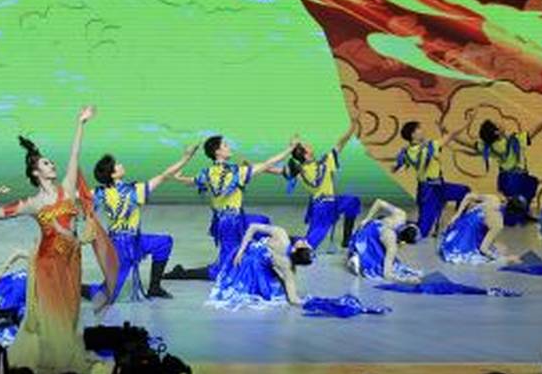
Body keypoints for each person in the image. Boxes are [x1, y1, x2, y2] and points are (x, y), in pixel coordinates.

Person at [0, 106, 116, 374]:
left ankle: (62, 358)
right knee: (53, 316)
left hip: (72, 261)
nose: (52, 165)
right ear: (35, 173)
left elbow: (75, 155)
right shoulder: (32, 203)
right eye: (46, 164)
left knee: (70, 313)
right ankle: (54, 365)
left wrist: (80, 123)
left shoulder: (67, 188)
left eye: (51, 162)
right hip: (47, 265)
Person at [165, 135, 297, 281]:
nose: (229, 148)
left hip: (231, 219)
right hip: (230, 224)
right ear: (218, 152)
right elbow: (267, 163)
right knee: (222, 271)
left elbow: (191, 181)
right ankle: (181, 273)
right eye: (225, 146)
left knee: (261, 221)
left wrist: (179, 177)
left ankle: (277, 252)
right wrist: (290, 149)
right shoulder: (236, 172)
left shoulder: (207, 173)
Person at [84, 141, 198, 301]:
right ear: (112, 174)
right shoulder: (106, 192)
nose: (120, 165)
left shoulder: (130, 190)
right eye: (116, 165)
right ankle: (76, 287)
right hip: (118, 247)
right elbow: (164, 175)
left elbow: (164, 176)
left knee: (163, 243)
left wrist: (186, 157)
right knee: (107, 296)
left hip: (136, 241)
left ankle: (154, 288)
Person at [453, 105, 542, 226]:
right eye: (498, 124)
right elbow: (538, 127)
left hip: (505, 178)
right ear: (497, 132)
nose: (501, 123)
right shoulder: (514, 141)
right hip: (516, 178)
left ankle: (521, 215)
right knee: (520, 199)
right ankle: (507, 219)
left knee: (529, 186)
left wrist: (450, 135)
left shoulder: (488, 146)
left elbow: (466, 143)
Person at [281, 117, 362, 250]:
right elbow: (341, 142)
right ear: (306, 155)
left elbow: (341, 143)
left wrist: (352, 128)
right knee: (310, 243)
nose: (309, 145)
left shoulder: (313, 166)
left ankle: (346, 239)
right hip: (322, 208)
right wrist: (352, 128)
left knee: (352, 202)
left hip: (333, 201)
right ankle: (285, 241)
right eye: (307, 146)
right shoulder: (313, 167)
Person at [392, 116, 473, 238]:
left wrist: (397, 165)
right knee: (422, 231)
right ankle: (393, 226)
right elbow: (452, 135)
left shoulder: (407, 152)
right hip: (429, 192)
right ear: (413, 134)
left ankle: (457, 223)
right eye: (419, 128)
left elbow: (395, 167)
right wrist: (468, 122)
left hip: (439, 186)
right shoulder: (430, 146)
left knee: (465, 192)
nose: (422, 130)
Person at [208, 222, 313, 308]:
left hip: (247, 261)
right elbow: (293, 299)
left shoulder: (281, 235)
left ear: (296, 249)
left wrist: (241, 251)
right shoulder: (288, 269)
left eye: (305, 244)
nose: (306, 242)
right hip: (252, 264)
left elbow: (253, 227)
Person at [347, 199, 421, 282]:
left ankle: (355, 253)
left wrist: (367, 219)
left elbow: (379, 202)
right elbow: (387, 275)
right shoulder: (392, 244)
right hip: (366, 244)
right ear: (404, 241)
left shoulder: (401, 215)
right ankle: (359, 260)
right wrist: (407, 280)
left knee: (380, 246)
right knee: (383, 263)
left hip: (362, 232)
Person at [439, 193, 511, 264]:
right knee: (500, 249)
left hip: (457, 231)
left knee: (499, 247)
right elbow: (483, 249)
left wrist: (457, 214)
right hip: (464, 244)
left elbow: (468, 196)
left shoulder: (493, 198)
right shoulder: (498, 222)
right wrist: (500, 258)